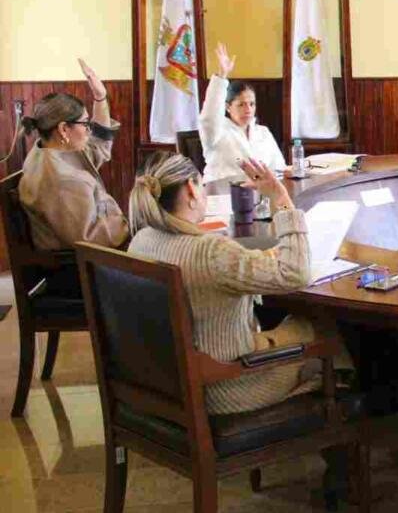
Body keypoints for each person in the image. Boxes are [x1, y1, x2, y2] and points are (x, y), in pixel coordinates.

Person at [126, 151, 341, 414]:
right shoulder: (211, 252)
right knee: (329, 328)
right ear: (191, 190)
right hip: (228, 388)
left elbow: (210, 272)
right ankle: (354, 419)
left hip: (169, 385)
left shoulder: (141, 240)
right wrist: (281, 198)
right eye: (202, 184)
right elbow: (296, 273)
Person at [18, 59, 129, 264]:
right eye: (85, 123)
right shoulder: (62, 180)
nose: (89, 129)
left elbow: (98, 147)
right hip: (76, 272)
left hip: (76, 259)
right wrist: (129, 223)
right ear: (63, 129)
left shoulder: (47, 150)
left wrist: (100, 97)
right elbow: (89, 240)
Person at [198, 42, 286, 183]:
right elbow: (209, 116)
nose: (248, 109)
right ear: (228, 107)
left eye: (252, 104)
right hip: (222, 194)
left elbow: (279, 169)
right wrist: (222, 76)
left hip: (259, 194)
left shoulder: (263, 132)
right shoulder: (216, 132)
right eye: (241, 104)